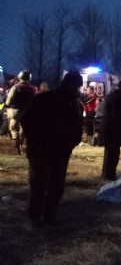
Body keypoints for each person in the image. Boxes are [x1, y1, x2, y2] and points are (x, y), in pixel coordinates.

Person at [21, 71, 83, 227]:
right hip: (41, 149)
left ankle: (49, 216)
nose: (77, 89)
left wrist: (73, 141)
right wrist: (36, 139)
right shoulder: (47, 98)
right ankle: (35, 217)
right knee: (39, 184)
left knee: (55, 185)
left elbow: (76, 126)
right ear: (69, 84)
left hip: (60, 150)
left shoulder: (74, 102)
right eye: (76, 86)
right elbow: (27, 120)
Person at [101, 81, 121, 181]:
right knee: (113, 154)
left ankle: (106, 173)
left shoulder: (111, 96)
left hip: (109, 129)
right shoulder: (118, 99)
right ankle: (110, 175)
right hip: (114, 131)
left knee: (109, 152)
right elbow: (117, 116)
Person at [5, 70, 36, 154]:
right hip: (27, 111)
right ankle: (21, 143)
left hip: (15, 110)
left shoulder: (16, 87)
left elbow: (9, 100)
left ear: (20, 77)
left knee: (14, 128)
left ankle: (17, 146)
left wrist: (6, 105)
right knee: (23, 128)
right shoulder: (33, 89)